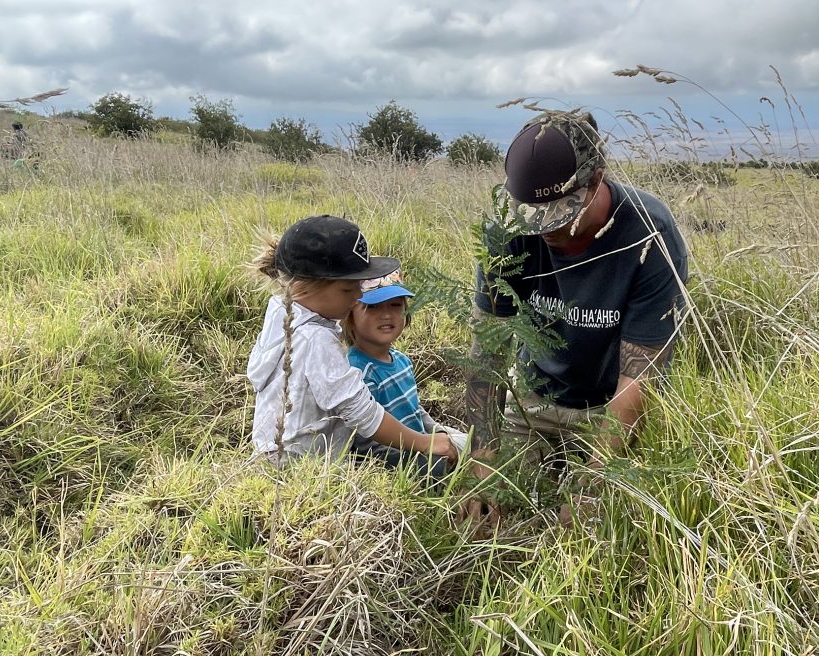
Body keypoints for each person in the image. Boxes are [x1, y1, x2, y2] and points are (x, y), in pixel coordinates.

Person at [465, 111, 689, 518]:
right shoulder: (506, 231)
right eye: (532, 215)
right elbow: (487, 352)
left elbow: (639, 378)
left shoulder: (650, 234)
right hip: (535, 396)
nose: (544, 229)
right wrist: (483, 458)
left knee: (604, 525)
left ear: (597, 179)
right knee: (498, 506)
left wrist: (595, 480)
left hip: (611, 407)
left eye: (559, 214)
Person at [248, 214, 459, 471]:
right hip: (300, 463)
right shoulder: (315, 338)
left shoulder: (281, 311)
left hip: (271, 455)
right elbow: (361, 413)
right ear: (304, 287)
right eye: (348, 289)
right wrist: (423, 442)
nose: (359, 295)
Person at [341, 267, 468, 479]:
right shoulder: (357, 371)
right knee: (439, 465)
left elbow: (415, 409)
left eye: (395, 305)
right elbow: (364, 443)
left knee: (477, 444)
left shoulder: (402, 360)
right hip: (392, 459)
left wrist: (438, 432)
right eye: (373, 306)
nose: (386, 314)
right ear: (350, 315)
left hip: (422, 443)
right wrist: (423, 453)